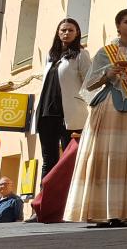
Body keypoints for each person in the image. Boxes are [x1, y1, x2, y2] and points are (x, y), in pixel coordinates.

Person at [65, 9, 127, 227]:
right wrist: (107, 75)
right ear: (118, 26)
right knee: (106, 156)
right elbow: (88, 84)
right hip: (107, 110)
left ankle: (126, 211)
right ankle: (102, 211)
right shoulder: (105, 52)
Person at [30, 19, 90, 180]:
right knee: (48, 160)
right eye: (63, 30)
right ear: (58, 32)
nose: (66, 33)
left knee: (70, 159)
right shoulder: (51, 55)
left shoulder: (81, 54)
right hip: (46, 113)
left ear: (77, 33)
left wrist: (93, 106)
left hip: (70, 115)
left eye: (71, 30)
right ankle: (44, 200)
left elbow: (89, 83)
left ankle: (68, 201)